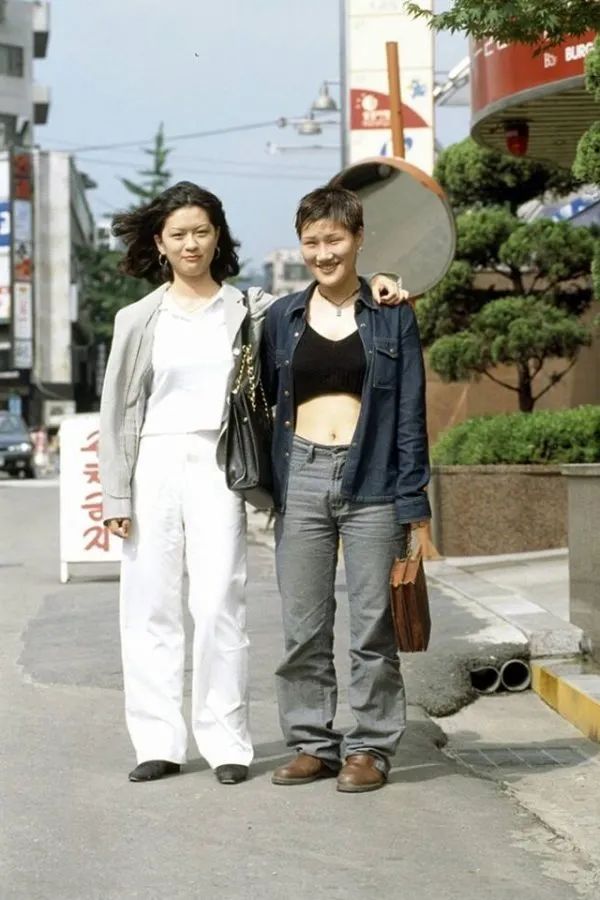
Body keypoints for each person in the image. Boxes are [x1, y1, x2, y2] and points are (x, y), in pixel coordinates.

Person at [98, 180, 405, 785]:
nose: (191, 244)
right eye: (178, 234)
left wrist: (382, 282)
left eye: (202, 231)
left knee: (219, 601)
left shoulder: (252, 309)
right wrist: (116, 493)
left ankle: (226, 741)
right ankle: (158, 741)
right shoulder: (137, 318)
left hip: (222, 465)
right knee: (149, 605)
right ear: (159, 242)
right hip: (152, 462)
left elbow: (329, 294)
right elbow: (118, 411)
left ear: (219, 237)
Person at [262, 185, 431, 793]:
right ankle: (312, 743)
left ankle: (370, 748)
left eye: (334, 239)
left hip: (373, 479)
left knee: (372, 624)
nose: (323, 253)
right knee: (302, 623)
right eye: (311, 242)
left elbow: (409, 412)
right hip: (301, 475)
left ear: (358, 239)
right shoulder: (281, 317)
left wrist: (414, 503)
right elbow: (265, 400)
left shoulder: (392, 313)